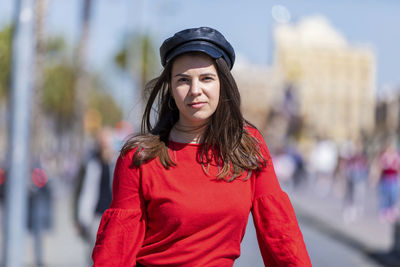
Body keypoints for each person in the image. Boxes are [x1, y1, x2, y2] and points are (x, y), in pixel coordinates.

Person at [92, 27, 311, 266]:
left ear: (222, 84)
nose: (195, 90)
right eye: (183, 80)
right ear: (171, 90)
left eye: (206, 78)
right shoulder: (140, 156)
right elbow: (115, 250)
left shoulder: (247, 146)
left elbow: (280, 234)